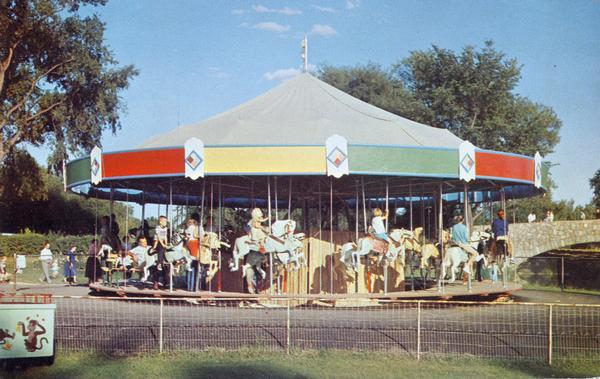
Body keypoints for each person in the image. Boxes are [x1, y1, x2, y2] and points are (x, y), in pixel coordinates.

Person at [150, 215, 170, 290]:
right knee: (161, 248)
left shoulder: (165, 228)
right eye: (165, 221)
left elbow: (165, 237)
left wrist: (167, 244)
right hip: (158, 242)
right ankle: (159, 261)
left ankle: (165, 282)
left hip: (163, 243)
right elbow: (158, 237)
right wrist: (163, 244)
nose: (166, 223)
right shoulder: (157, 228)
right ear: (161, 221)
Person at [185, 218, 202, 291]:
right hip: (195, 243)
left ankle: (190, 287)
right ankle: (194, 287)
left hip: (190, 243)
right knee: (194, 265)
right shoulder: (196, 228)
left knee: (191, 266)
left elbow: (187, 237)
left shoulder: (188, 228)